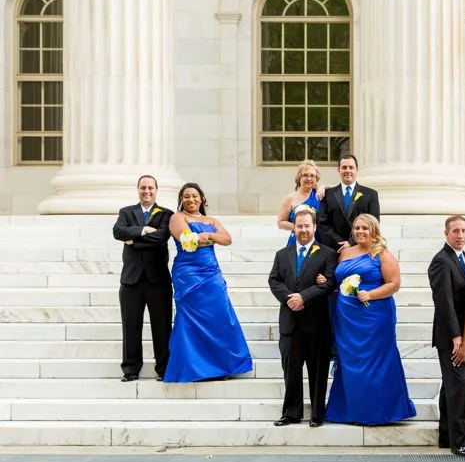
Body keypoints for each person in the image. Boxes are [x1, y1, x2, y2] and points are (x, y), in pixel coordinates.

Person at [324, 212, 416, 425]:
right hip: (347, 318)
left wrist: (371, 294)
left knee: (375, 361)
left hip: (374, 317)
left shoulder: (382, 254)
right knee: (350, 361)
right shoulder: (345, 252)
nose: (360, 232)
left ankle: (378, 411)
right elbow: (337, 280)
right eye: (357, 228)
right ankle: (350, 410)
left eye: (365, 228)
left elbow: (394, 283)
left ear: (374, 231)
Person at [165, 184, 255, 382]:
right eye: (186, 196)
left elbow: (227, 239)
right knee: (190, 319)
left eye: (194, 196)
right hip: (188, 274)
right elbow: (186, 240)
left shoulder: (211, 220)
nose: (191, 199)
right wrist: (207, 238)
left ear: (202, 198)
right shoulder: (177, 217)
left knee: (220, 315)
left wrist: (210, 235)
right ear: (181, 199)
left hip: (211, 273)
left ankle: (220, 365)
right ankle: (196, 368)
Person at [268, 203, 337, 426]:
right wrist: (290, 298)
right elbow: (273, 280)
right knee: (291, 371)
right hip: (290, 323)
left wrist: (303, 298)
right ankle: (291, 413)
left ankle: (317, 415)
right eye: (299, 226)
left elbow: (329, 283)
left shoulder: (327, 254)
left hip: (316, 324)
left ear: (314, 227)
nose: (303, 230)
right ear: (294, 228)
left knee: (318, 372)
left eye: (307, 226)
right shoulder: (282, 254)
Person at [113, 175, 173, 381]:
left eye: (150, 188)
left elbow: (161, 238)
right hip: (131, 280)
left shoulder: (166, 214)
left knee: (163, 327)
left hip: (158, 280)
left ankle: (164, 369)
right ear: (137, 189)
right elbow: (118, 231)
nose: (146, 191)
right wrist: (144, 230)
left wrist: (134, 240)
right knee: (130, 325)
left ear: (157, 190)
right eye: (143, 188)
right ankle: (130, 370)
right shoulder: (126, 212)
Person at [429, 214, 465, 455]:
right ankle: (459, 441)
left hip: (464, 332)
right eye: (455, 231)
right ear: (446, 233)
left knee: (451, 384)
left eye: (463, 231)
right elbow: (444, 302)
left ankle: (445, 435)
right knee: (457, 385)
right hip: (452, 337)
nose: (460, 235)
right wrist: (457, 338)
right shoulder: (440, 261)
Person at [317, 156, 380, 253]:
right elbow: (322, 223)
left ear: (356, 170)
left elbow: (374, 223)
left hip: (362, 249)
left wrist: (351, 242)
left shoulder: (371, 195)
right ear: (339, 170)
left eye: (351, 167)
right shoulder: (327, 195)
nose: (348, 170)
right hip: (334, 250)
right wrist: (340, 243)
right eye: (344, 167)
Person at [277, 161, 325, 240]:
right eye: (305, 175)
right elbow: (280, 223)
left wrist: (324, 186)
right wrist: (300, 227)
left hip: (318, 240)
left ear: (316, 179)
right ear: (299, 178)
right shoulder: (290, 198)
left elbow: (338, 188)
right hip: (297, 239)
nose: (309, 178)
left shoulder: (320, 195)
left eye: (312, 176)